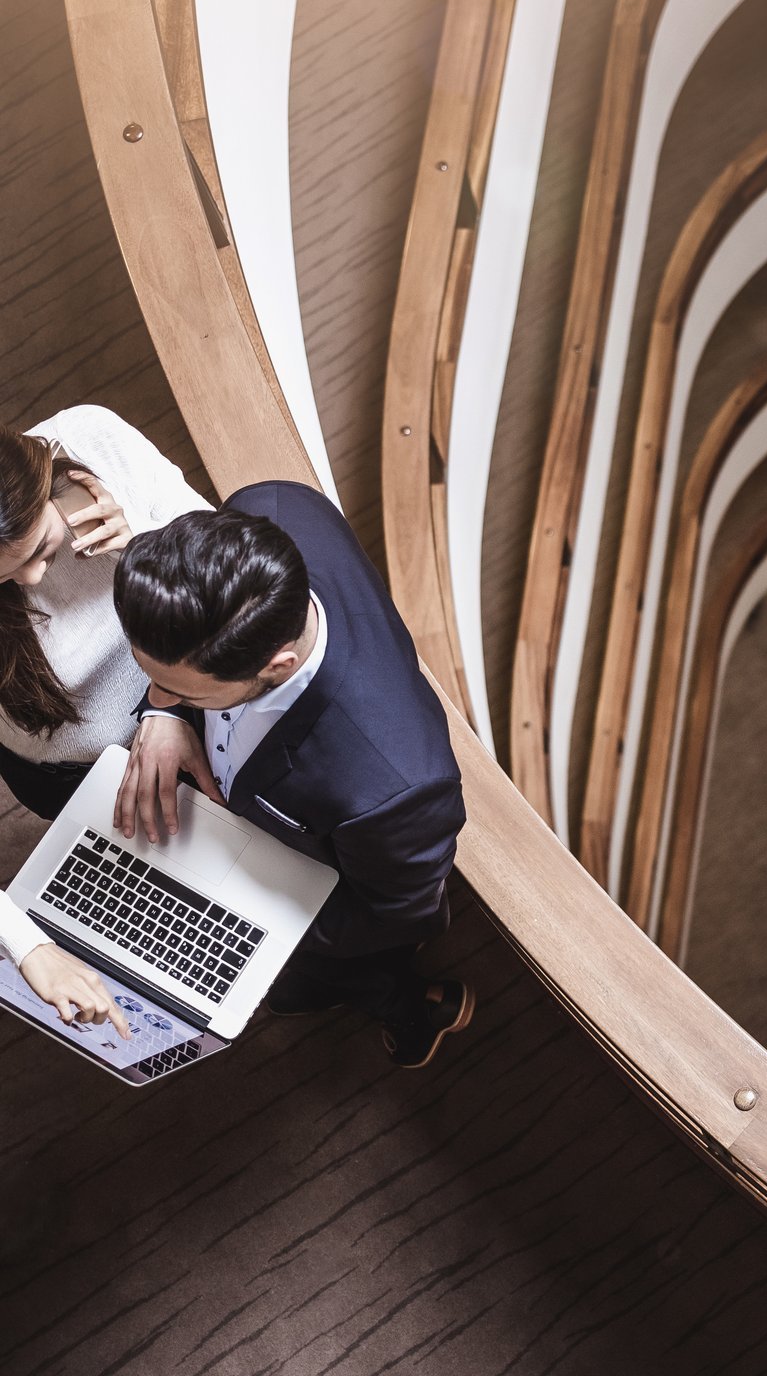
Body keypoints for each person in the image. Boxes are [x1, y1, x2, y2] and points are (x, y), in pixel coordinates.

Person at [111, 482, 471, 1068]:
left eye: (179, 690)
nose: (155, 694)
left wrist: (246, 923)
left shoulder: (393, 785)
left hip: (306, 899)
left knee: (303, 981)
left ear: (277, 666)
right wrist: (165, 714)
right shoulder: (269, 505)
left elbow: (391, 913)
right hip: (242, 829)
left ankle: (400, 1001)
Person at [0, 404, 208, 1037]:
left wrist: (147, 540)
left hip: (192, 691)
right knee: (164, 896)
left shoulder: (91, 435)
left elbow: (232, 566)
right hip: (61, 771)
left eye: (37, 549)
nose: (34, 580)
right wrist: (29, 948)